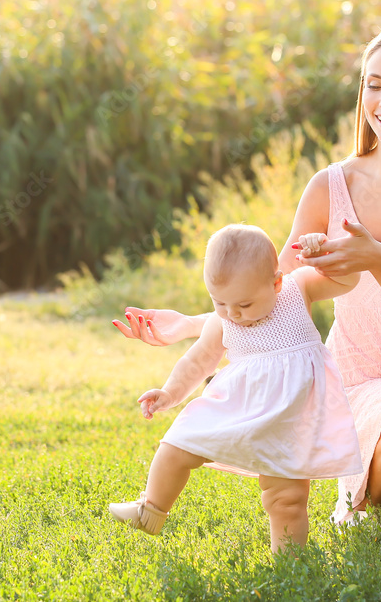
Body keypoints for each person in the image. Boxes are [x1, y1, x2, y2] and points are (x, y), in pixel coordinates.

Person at [113, 22, 381, 526]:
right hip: (359, 385)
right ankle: (362, 497)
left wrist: (378, 259)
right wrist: (189, 325)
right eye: (374, 84)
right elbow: (276, 292)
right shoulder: (330, 186)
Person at [109, 224, 363, 552]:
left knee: (286, 499)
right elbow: (197, 361)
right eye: (220, 303)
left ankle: (291, 567)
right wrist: (169, 393)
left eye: (243, 304)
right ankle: (151, 510)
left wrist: (323, 252)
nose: (232, 314)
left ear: (276, 282)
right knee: (176, 444)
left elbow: (348, 280)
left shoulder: (298, 290)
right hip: (238, 406)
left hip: (290, 419)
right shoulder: (223, 321)